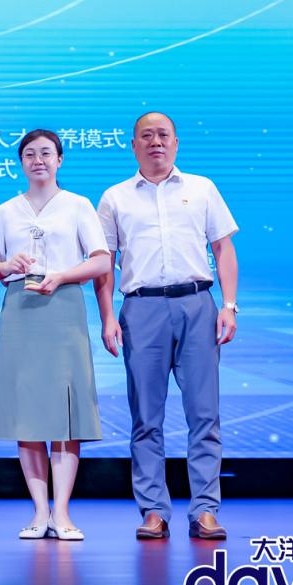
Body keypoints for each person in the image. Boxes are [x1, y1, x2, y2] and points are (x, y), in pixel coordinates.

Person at [94, 112, 239, 540]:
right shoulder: (115, 197)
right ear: (133, 145)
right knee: (145, 416)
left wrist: (229, 306)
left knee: (204, 413)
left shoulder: (202, 188)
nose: (155, 142)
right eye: (147, 136)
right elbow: (104, 264)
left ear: (176, 142)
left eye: (163, 135)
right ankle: (154, 510)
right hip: (141, 309)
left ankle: (206, 509)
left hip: (197, 305)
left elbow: (223, 248)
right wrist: (107, 316)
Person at [0, 129, 111, 541]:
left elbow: (101, 261)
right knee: (27, 409)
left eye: (46, 153)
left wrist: (61, 276)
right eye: (30, 154)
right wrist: (6, 266)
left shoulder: (78, 205)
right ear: (21, 162)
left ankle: (63, 512)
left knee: (66, 411)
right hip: (20, 309)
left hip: (63, 306)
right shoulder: (6, 211)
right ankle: (39, 512)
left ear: (59, 160)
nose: (38, 160)